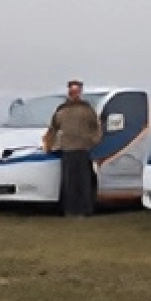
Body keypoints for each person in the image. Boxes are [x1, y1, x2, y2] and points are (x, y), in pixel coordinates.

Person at [42, 79, 102, 218]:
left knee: (84, 182)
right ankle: (70, 210)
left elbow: (96, 126)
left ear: (80, 92)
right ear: (69, 92)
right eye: (72, 91)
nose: (74, 94)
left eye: (77, 91)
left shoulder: (87, 109)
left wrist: (94, 140)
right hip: (67, 150)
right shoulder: (62, 110)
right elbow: (53, 128)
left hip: (83, 149)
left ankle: (85, 210)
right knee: (69, 183)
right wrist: (48, 145)